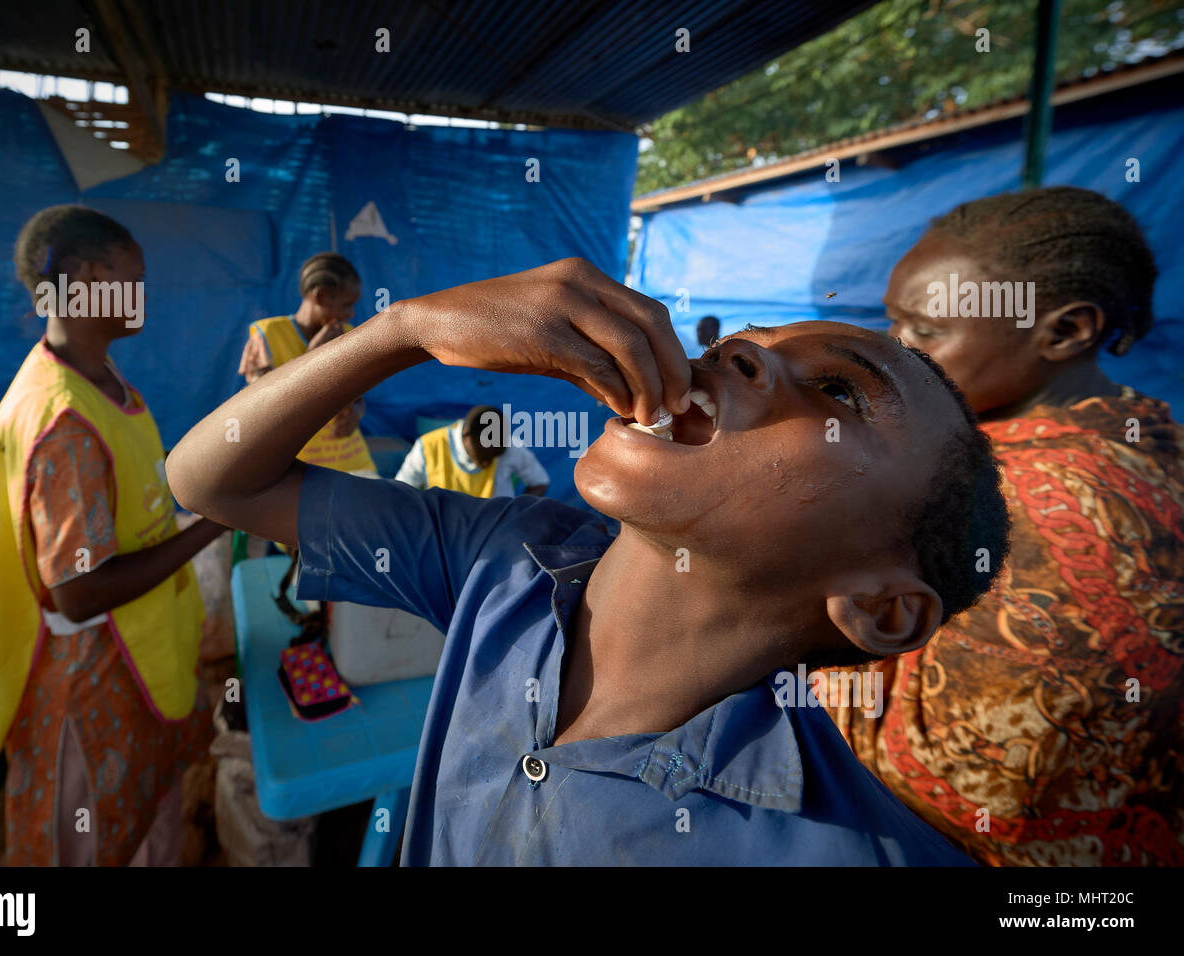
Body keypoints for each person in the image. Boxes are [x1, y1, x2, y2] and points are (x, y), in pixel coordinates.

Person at [169, 257, 1010, 866]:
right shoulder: (505, 560)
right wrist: (407, 329)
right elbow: (212, 480)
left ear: (883, 608)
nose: (738, 351)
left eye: (840, 394)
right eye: (748, 339)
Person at [829, 186, 1184, 866]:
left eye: (928, 332)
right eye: (894, 324)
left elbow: (976, 784)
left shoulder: (1027, 504)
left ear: (1066, 331)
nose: (895, 352)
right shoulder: (1151, 436)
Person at [0, 205, 225, 866]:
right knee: (82, 846)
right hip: (88, 684)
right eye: (135, 275)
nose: (143, 293)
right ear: (89, 274)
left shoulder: (101, 384)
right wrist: (213, 526)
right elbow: (77, 590)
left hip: (138, 666)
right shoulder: (65, 418)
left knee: (146, 826)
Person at [238, 252, 377, 476]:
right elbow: (262, 407)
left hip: (349, 461)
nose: (351, 314)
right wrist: (312, 354)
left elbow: (358, 398)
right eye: (346, 305)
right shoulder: (267, 336)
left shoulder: (349, 336)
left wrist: (356, 413)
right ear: (321, 297)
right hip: (292, 466)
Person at [395, 404, 549, 497]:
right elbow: (401, 492)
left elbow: (540, 482)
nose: (486, 463)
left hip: (494, 532)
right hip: (443, 533)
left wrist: (518, 513)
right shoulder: (427, 447)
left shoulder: (511, 446)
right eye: (483, 456)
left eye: (494, 456)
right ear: (466, 436)